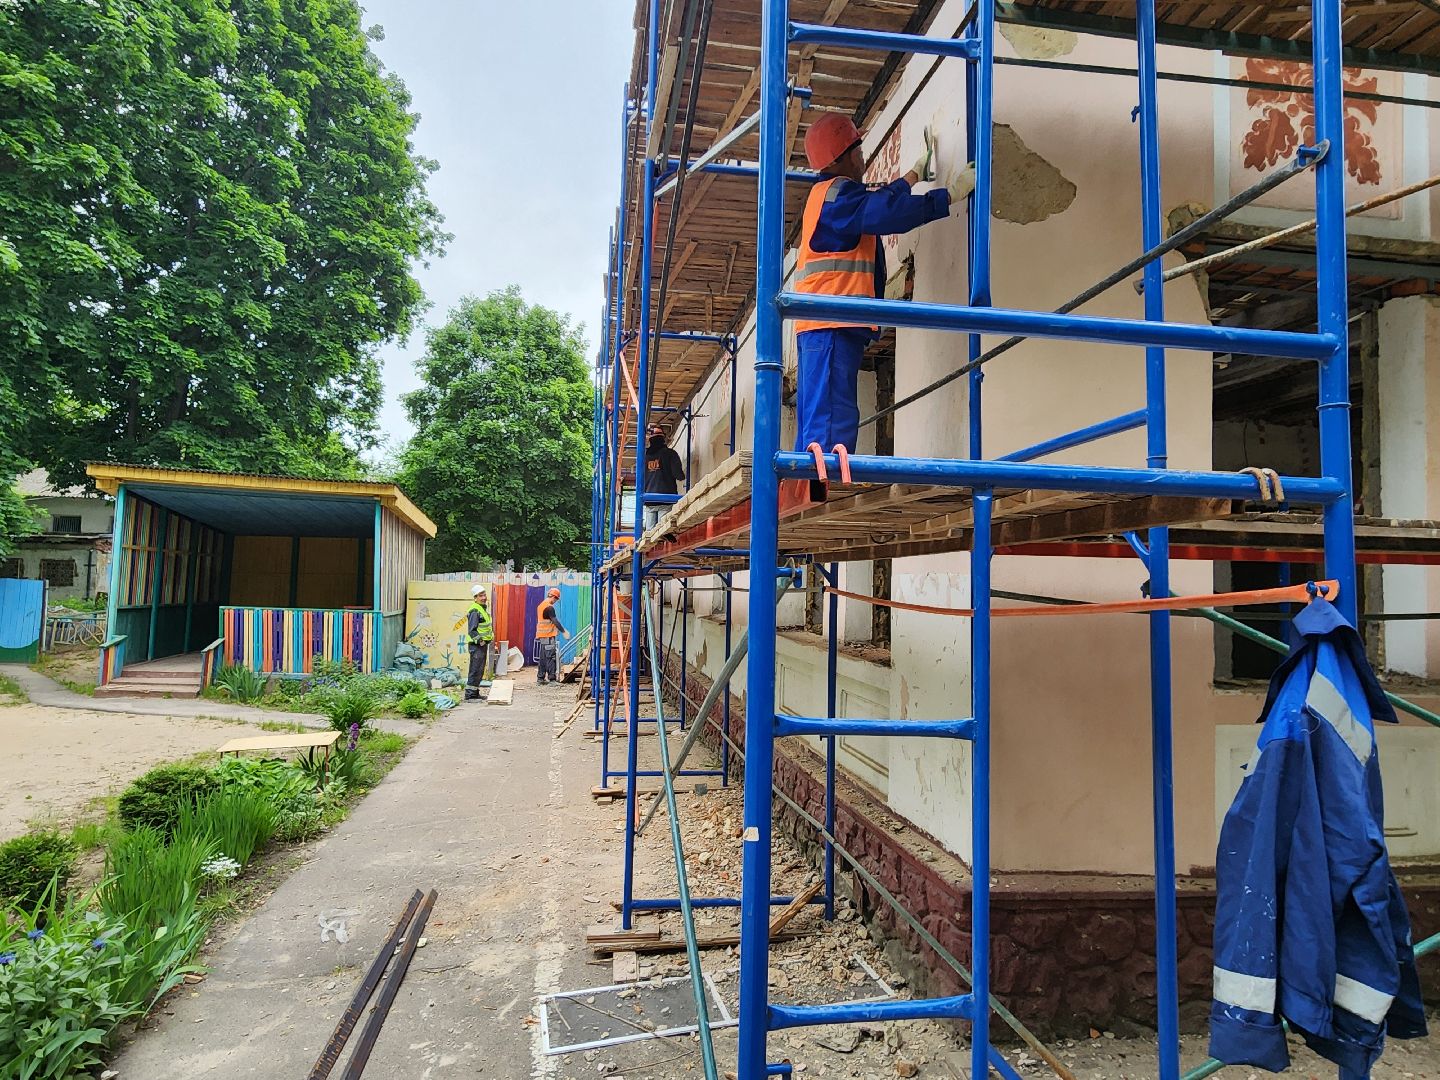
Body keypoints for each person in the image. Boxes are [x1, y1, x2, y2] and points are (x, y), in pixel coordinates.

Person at [794, 113, 975, 454]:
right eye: (859, 150)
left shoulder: (832, 197)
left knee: (819, 417)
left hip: (825, 322)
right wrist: (949, 195)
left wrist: (912, 176)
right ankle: (819, 492)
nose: (863, 157)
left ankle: (809, 495)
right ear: (844, 156)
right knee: (829, 424)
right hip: (833, 320)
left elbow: (876, 203)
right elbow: (885, 212)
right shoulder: (838, 197)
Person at [643, 424, 685, 529]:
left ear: (650, 440)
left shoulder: (644, 457)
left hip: (649, 499)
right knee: (662, 531)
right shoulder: (670, 454)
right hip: (666, 498)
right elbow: (679, 476)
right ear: (663, 439)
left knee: (650, 534)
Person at [464, 583, 495, 700]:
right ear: (475, 598)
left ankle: (475, 693)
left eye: (484, 595)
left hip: (482, 645)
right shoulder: (475, 610)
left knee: (479, 670)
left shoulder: (482, 609)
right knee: (475, 669)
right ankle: (470, 695)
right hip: (476, 645)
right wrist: (481, 641)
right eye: (480, 596)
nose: (483, 597)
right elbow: (472, 630)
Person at [534, 587, 570, 684]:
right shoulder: (549, 607)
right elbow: (554, 620)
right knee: (551, 657)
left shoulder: (541, 605)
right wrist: (564, 631)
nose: (556, 601)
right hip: (548, 636)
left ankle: (540, 678)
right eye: (556, 599)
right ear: (554, 597)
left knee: (543, 657)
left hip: (542, 636)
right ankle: (552, 679)